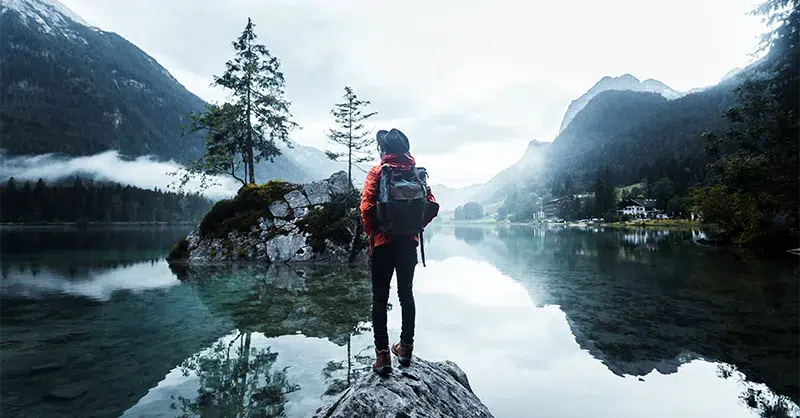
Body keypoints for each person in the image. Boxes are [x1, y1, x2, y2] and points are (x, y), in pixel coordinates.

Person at [360, 128, 439, 375]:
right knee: (406, 295)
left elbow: (366, 209)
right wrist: (415, 229)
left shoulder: (378, 172)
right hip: (408, 245)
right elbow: (433, 206)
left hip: (383, 244)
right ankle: (405, 349)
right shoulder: (418, 174)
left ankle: (383, 357)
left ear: (384, 151)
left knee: (379, 299)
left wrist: (374, 235)